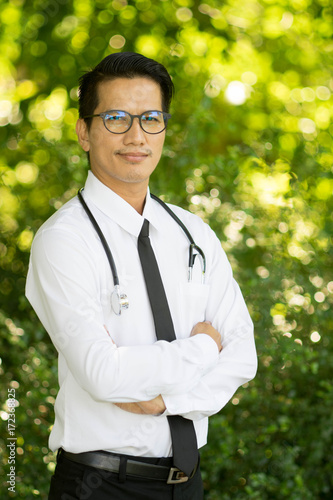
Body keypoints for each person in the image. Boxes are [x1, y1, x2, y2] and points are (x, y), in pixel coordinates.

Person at [26, 52, 257, 500]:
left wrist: (170, 402)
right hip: (100, 487)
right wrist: (205, 346)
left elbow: (243, 354)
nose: (136, 135)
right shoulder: (63, 241)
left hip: (188, 484)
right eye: (116, 118)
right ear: (84, 133)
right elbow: (103, 375)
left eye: (151, 118)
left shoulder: (194, 233)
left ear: (164, 129)